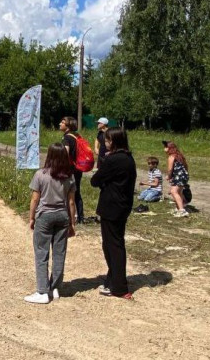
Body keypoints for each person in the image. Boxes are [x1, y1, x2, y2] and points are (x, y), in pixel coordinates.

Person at [24, 143, 77, 304]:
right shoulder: (69, 176)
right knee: (59, 253)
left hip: (45, 216)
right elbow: (71, 202)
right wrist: (72, 223)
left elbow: (35, 199)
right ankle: (55, 288)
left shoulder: (40, 174)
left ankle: (42, 291)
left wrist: (31, 218)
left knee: (42, 253)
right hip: (62, 216)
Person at [90, 127, 136, 299]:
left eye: (108, 140)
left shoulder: (113, 159)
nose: (105, 142)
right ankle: (113, 278)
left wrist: (104, 166)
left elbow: (95, 180)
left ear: (114, 142)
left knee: (113, 246)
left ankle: (119, 287)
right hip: (123, 205)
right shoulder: (128, 158)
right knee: (114, 243)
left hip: (112, 206)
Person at [59, 116, 84, 223]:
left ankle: (70, 216)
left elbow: (65, 154)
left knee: (67, 192)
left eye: (62, 122)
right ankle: (80, 217)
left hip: (70, 169)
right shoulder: (77, 136)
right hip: (78, 168)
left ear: (68, 126)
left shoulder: (67, 138)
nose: (60, 124)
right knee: (77, 192)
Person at [163, 140, 190, 217]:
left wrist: (169, 176)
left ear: (169, 148)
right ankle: (180, 207)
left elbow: (170, 169)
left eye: (165, 147)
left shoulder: (171, 157)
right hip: (183, 175)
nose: (164, 148)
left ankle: (182, 210)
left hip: (178, 176)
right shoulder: (179, 156)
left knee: (173, 191)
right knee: (179, 192)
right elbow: (186, 166)